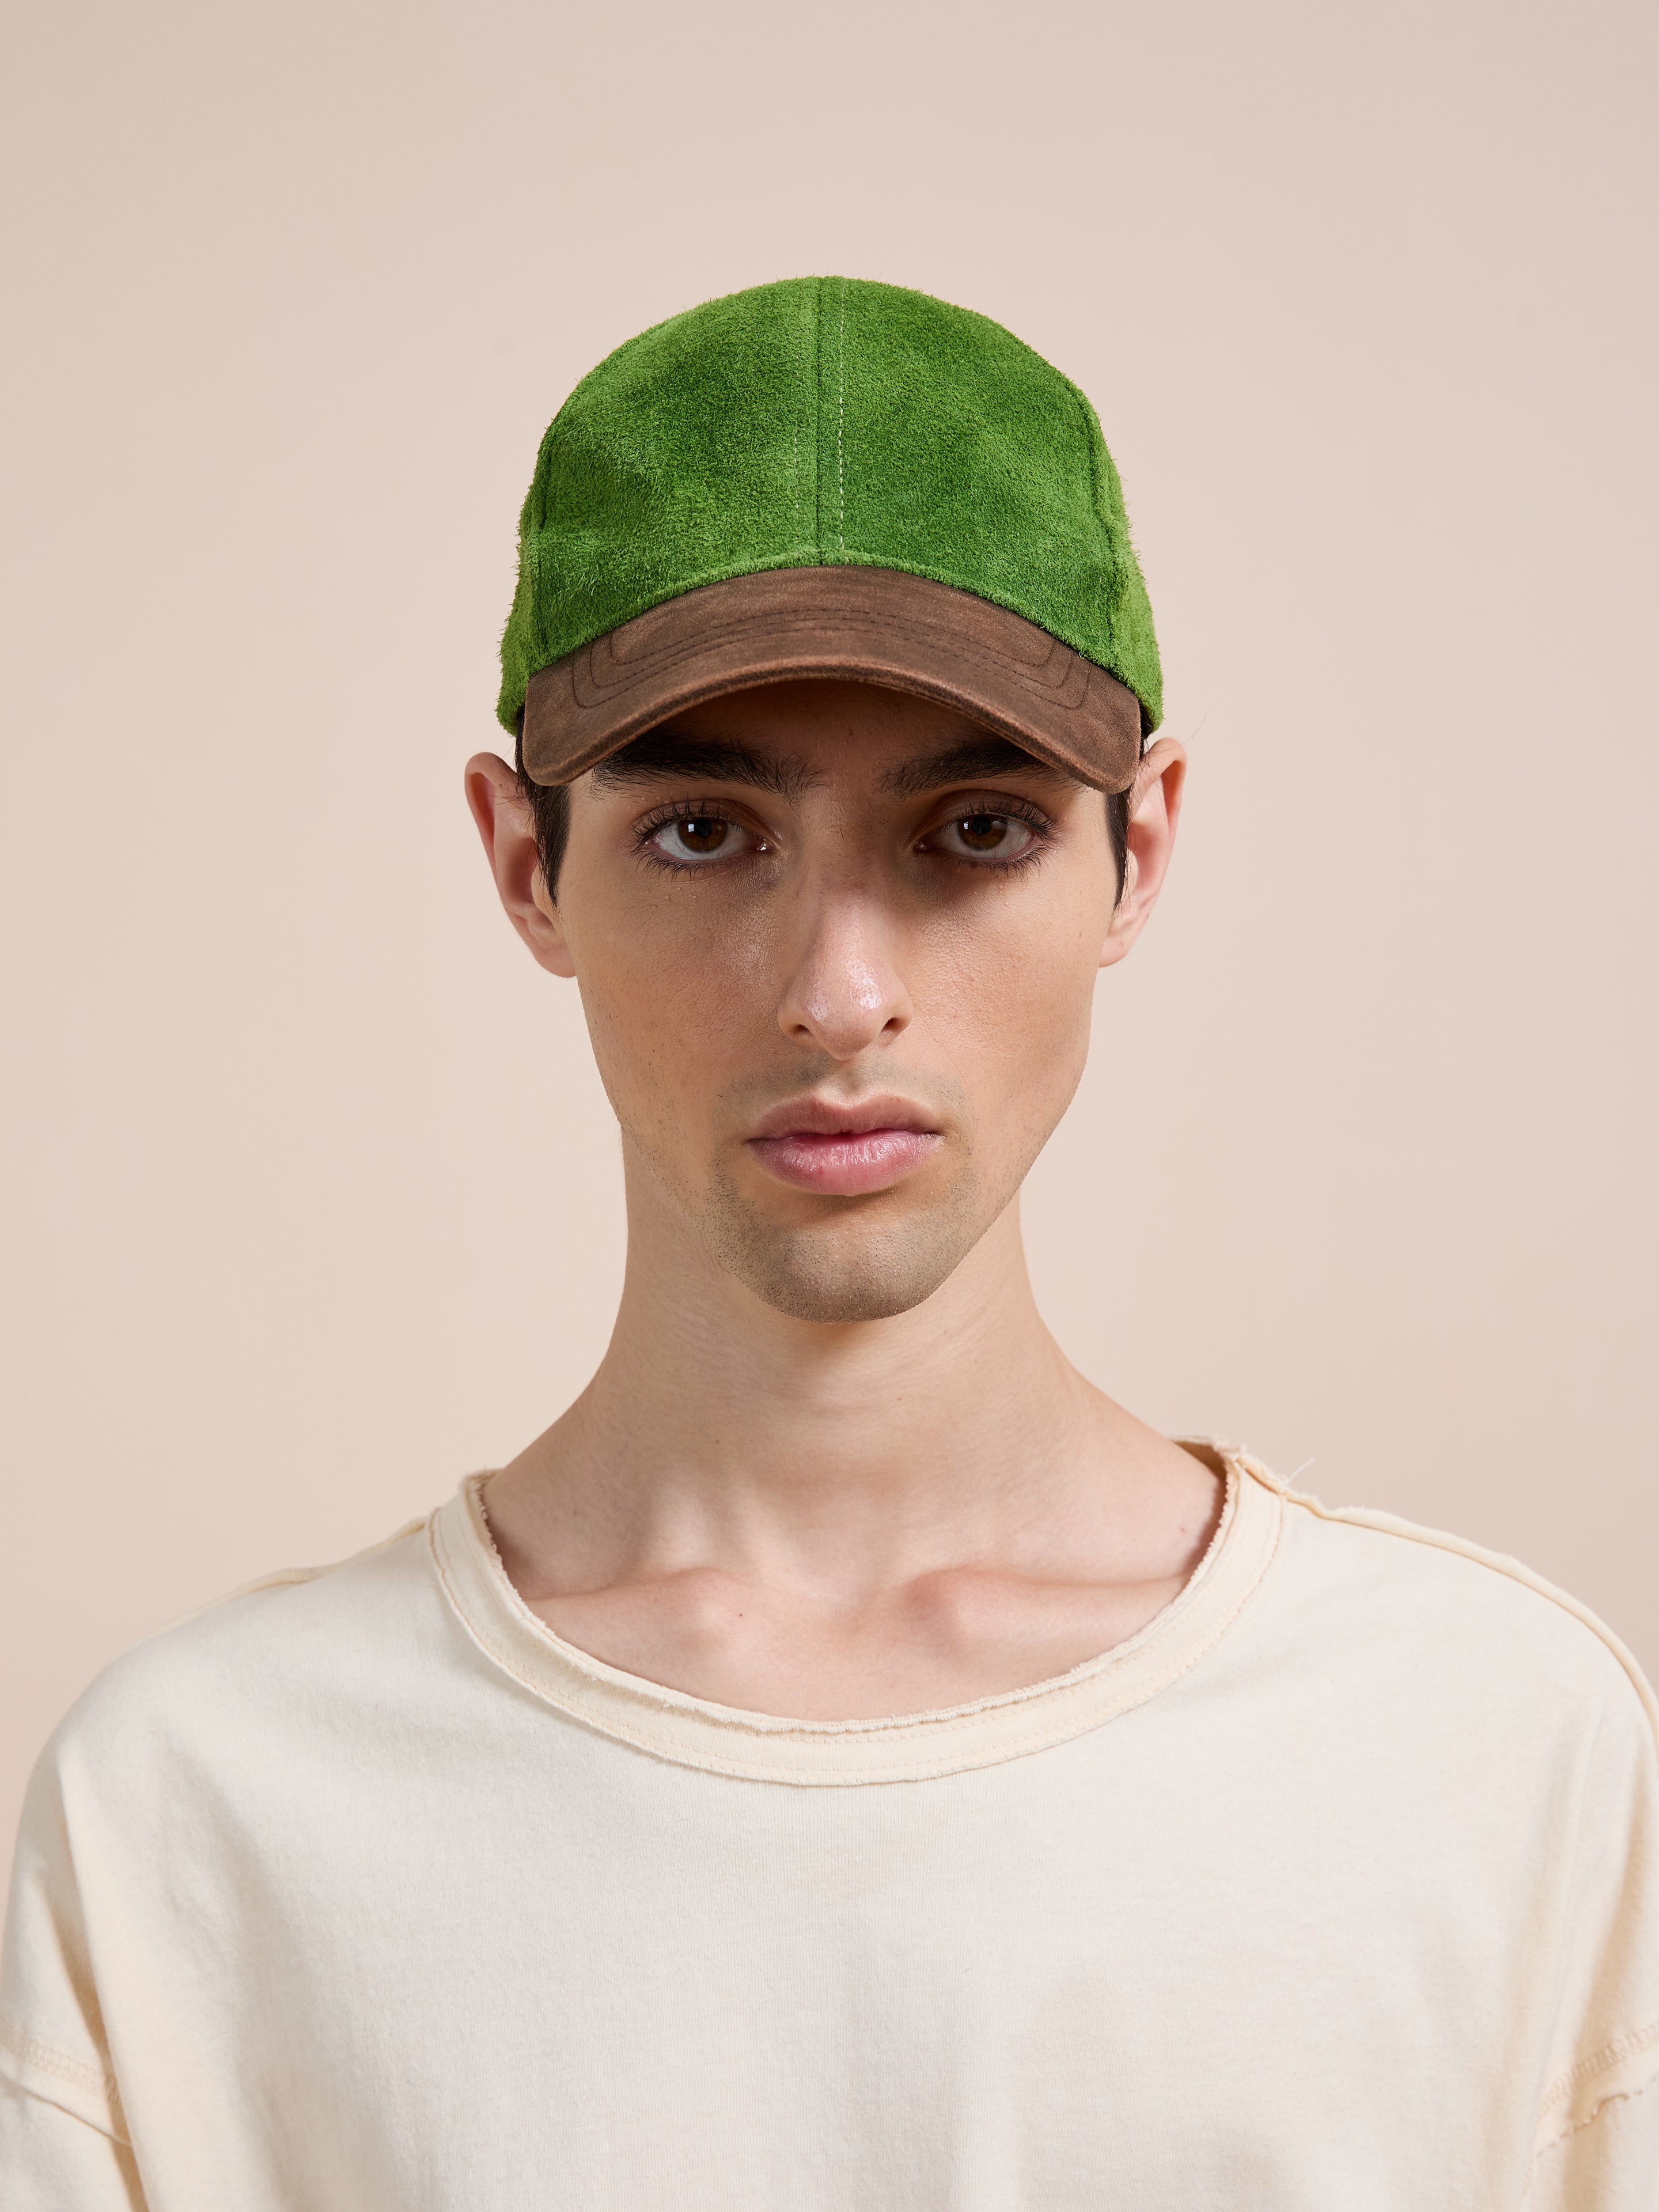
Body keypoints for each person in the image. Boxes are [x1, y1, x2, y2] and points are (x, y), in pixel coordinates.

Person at [2, 276, 1654, 2210]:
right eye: (707, 833)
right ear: (526, 865)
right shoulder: (205, 1807)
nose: (838, 992)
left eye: (973, 832)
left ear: (1148, 846)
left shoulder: (1485, 1747)